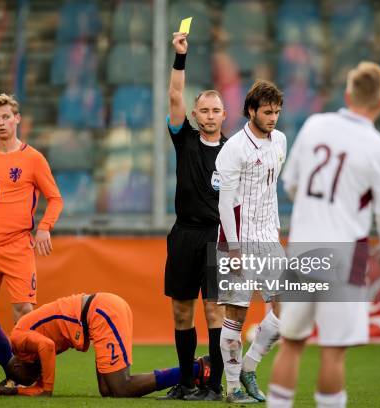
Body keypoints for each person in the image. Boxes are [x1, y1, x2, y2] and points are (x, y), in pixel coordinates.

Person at [267, 62, 380, 408]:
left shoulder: (315, 125)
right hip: (346, 255)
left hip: (303, 248)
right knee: (333, 351)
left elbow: (291, 182)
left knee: (292, 343)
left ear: (347, 95)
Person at [0, 94, 63, 379]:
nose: (1, 123)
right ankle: (13, 369)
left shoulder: (33, 159)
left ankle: (29, 373)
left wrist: (44, 226)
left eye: (6, 117)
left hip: (18, 245)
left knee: (24, 311)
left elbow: (55, 198)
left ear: (17, 119)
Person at [161, 30, 226, 401]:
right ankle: (185, 383)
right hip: (184, 234)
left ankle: (214, 386)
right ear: (195, 113)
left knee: (214, 312)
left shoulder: (234, 151)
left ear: (224, 114)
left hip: (218, 237)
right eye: (204, 110)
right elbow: (174, 94)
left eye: (216, 110)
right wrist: (180, 57)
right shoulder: (183, 138)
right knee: (182, 314)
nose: (210, 116)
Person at [0, 292, 210, 397]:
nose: (35, 378)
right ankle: (192, 371)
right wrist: (17, 391)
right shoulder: (27, 353)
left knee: (121, 388)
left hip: (101, 312)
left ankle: (195, 369)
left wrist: (44, 389)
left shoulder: (18, 340)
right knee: (108, 391)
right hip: (97, 315)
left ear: (17, 366)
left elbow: (46, 347)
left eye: (29, 379)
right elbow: (45, 350)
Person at [215, 80, 287, 403]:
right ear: (251, 111)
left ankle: (249, 365)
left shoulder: (281, 141)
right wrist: (233, 248)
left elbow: (268, 192)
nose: (273, 118)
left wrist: (274, 229)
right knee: (236, 316)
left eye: (277, 113)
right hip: (238, 241)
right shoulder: (234, 149)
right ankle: (232, 390)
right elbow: (224, 203)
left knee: (289, 310)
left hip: (269, 239)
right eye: (268, 112)